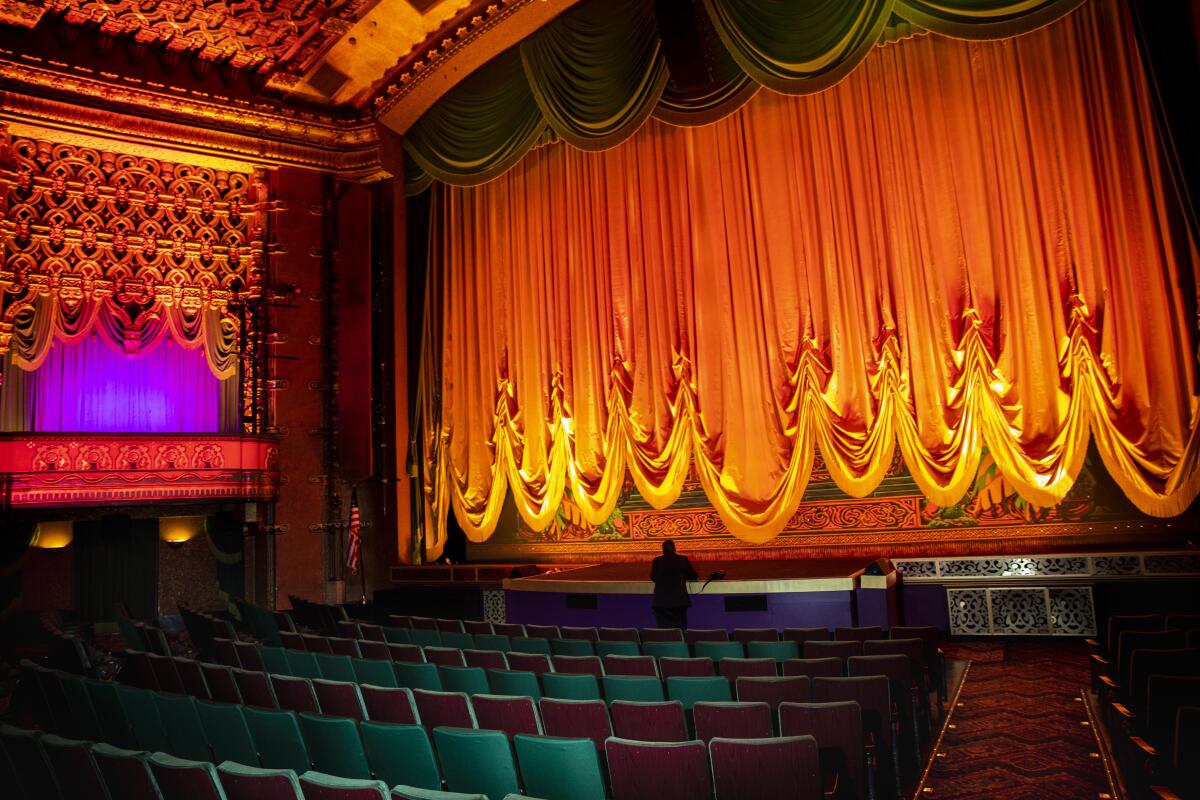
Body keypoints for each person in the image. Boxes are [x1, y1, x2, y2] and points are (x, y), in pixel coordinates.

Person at [650, 540, 698, 629]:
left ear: (663, 550)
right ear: (674, 549)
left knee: (663, 631)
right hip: (679, 601)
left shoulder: (657, 561)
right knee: (680, 630)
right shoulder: (682, 559)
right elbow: (693, 576)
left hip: (661, 602)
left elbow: (653, 577)